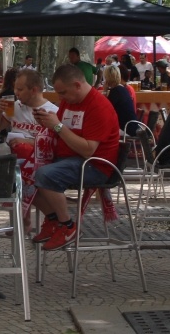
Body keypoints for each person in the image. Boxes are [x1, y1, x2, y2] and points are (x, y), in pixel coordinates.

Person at [30, 64, 120, 251]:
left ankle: (68, 226)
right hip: (69, 159)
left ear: (77, 85)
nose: (60, 98)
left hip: (94, 165)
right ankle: (53, 220)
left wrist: (57, 126)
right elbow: (62, 133)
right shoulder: (70, 101)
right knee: (24, 173)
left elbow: (88, 150)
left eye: (63, 93)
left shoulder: (99, 106)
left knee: (45, 175)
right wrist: (47, 122)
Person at [0, 68, 59, 232]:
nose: (16, 93)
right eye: (15, 88)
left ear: (34, 90)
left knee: (22, 152)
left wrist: (28, 141)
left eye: (20, 89)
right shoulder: (14, 107)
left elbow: (54, 144)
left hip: (39, 162)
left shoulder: (52, 111)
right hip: (13, 161)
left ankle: (26, 218)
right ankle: (6, 220)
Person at [102, 64, 138, 136]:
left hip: (126, 129)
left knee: (99, 131)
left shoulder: (115, 91)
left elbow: (104, 110)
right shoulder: (122, 89)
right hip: (132, 127)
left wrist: (105, 91)